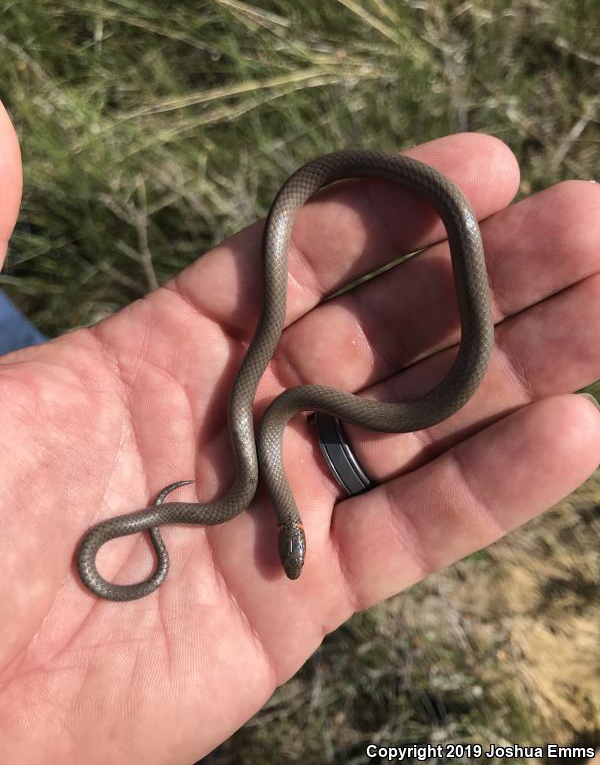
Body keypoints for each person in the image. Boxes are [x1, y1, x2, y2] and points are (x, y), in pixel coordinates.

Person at [0, 102, 598, 763]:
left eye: (289, 548)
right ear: (294, 532)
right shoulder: (255, 470)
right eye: (292, 549)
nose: (287, 553)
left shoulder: (270, 445)